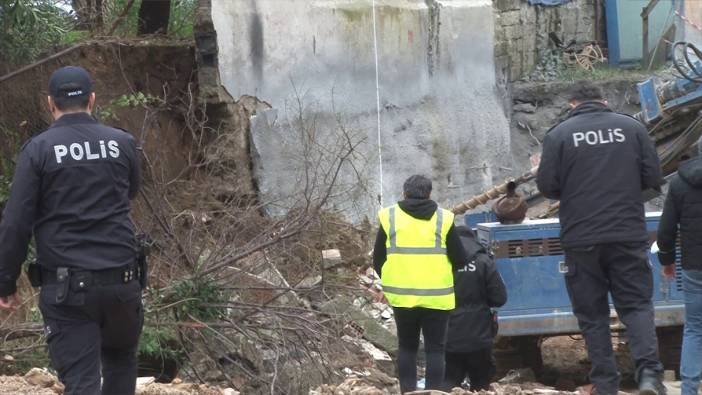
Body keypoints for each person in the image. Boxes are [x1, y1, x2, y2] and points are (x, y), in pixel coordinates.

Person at [0, 66, 143, 395]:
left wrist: (6, 280)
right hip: (123, 281)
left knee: (82, 381)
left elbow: (16, 222)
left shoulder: (39, 150)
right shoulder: (123, 143)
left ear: (51, 103)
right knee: (121, 360)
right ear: (93, 99)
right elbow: (130, 193)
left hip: (69, 290)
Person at [536, 81, 665, 395]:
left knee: (592, 316)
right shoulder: (632, 129)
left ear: (572, 104)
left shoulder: (560, 135)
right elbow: (653, 180)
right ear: (605, 101)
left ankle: (606, 384)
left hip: (582, 239)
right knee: (636, 307)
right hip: (627, 234)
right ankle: (649, 376)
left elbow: (548, 187)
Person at [373, 175, 466, 393]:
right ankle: (434, 392)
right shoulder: (444, 219)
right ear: (429, 193)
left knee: (407, 347)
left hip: (403, 297)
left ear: (404, 193)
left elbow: (378, 260)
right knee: (435, 350)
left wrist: (393, 280)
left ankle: (408, 391)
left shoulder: (390, 217)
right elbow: (460, 259)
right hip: (437, 296)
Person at [657, 138, 702, 395]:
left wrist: (667, 260)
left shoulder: (680, 181)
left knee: (695, 328)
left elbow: (666, 229)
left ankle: (688, 389)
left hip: (695, 266)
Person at [444, 226, 507, 391]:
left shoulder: (442, 262)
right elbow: (499, 298)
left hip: (448, 334)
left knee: (449, 384)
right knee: (481, 385)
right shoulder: (484, 261)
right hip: (479, 337)